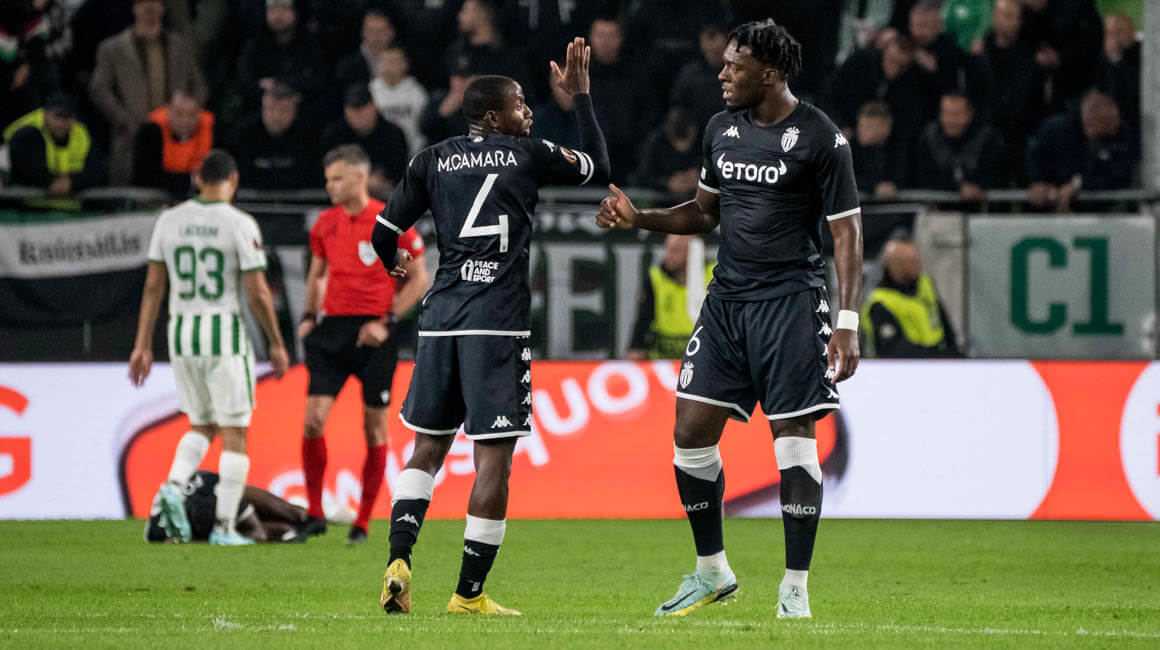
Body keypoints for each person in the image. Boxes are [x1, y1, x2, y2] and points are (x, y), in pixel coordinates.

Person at [596, 19, 862, 619]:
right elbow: (703, 212)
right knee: (690, 433)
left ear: (769, 74)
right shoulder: (721, 129)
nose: (721, 74)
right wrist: (640, 218)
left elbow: (847, 232)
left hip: (791, 303)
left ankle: (794, 589)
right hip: (727, 304)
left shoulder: (821, 137)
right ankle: (712, 572)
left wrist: (846, 320)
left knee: (793, 441)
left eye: (734, 66)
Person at [370, 38, 609, 616]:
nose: (529, 112)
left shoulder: (430, 159)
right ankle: (468, 594)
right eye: (520, 103)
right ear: (494, 117)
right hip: (496, 324)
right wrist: (580, 97)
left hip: (440, 319)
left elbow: (383, 231)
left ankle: (398, 560)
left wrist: (393, 261)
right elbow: (599, 168)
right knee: (493, 459)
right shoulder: (528, 154)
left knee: (427, 448)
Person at [128, 150, 290, 546]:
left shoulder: (169, 219)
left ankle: (171, 490)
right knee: (235, 434)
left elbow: (153, 286)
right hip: (223, 336)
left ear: (198, 179)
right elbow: (257, 293)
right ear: (233, 180)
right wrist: (276, 342)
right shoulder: (239, 223)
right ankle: (224, 527)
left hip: (182, 335)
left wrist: (142, 345)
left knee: (201, 424)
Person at [296, 144, 429, 546]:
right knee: (312, 420)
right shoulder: (325, 224)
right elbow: (317, 273)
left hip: (374, 333)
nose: (330, 186)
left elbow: (420, 278)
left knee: (374, 427)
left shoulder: (390, 222)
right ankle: (315, 513)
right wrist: (308, 315)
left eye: (336, 178)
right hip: (333, 330)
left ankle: (364, 522)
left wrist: (387, 321)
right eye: (327, 179)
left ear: (359, 177)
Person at [89, 0, 206, 185]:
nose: (149, 6)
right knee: (131, 192)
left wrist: (187, 116)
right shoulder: (113, 48)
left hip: (175, 140)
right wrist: (122, 118)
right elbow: (99, 88)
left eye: (155, 1)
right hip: (131, 138)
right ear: (134, 7)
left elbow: (199, 87)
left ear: (163, 7)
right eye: (143, 1)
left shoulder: (180, 46)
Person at [1026, 89, 1138, 212]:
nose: (1111, 130)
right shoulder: (1056, 131)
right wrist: (1038, 181)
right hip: (1049, 204)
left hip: (1102, 209)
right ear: (1086, 118)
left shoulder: (1123, 136)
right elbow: (1035, 156)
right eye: (1100, 124)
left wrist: (1079, 184)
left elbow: (1119, 174)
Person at [145, 470, 313, 544]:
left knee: (286, 516)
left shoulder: (216, 491)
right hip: (200, 506)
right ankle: (293, 524)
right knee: (274, 531)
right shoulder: (157, 532)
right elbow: (257, 534)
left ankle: (299, 514)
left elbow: (257, 532)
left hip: (205, 485)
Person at [861, 240, 958, 358]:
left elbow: (944, 323)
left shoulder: (924, 283)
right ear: (894, 267)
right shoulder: (880, 303)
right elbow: (893, 348)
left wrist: (953, 354)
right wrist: (937, 355)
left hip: (938, 361)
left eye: (917, 260)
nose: (918, 266)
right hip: (905, 365)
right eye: (910, 262)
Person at [627, 234, 714, 361]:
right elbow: (643, 319)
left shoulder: (715, 275)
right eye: (667, 248)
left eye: (675, 250)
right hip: (664, 362)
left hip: (703, 361)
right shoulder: (656, 278)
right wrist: (636, 347)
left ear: (692, 251)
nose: (669, 255)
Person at [225, 81, 317, 191]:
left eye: (284, 110)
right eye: (270, 109)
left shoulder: (307, 136)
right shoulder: (243, 134)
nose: (276, 116)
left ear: (295, 111)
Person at [321, 85, 409, 199]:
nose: (358, 115)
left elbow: (397, 171)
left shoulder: (393, 134)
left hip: (386, 198)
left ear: (374, 107)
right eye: (353, 110)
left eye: (363, 109)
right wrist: (364, 182)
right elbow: (325, 169)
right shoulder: (334, 135)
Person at [4, 92, 101, 195]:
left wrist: (72, 182)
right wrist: (50, 182)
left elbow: (96, 170)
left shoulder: (81, 134)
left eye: (67, 117)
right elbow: (22, 171)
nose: (62, 123)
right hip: (30, 201)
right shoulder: (26, 132)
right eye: (57, 116)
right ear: (45, 114)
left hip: (70, 202)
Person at [915, 91, 1005, 200]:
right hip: (937, 205)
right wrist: (957, 188)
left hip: (982, 205)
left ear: (970, 114)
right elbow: (925, 176)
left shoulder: (987, 137)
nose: (951, 120)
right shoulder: (929, 137)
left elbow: (996, 174)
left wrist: (977, 187)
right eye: (947, 113)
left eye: (957, 114)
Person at [133, 89, 214, 198]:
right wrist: (190, 180)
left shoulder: (211, 130)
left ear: (199, 114)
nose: (185, 121)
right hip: (155, 201)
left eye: (191, 115)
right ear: (168, 111)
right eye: (179, 114)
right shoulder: (150, 132)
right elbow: (146, 179)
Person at [368, 46, 428, 155]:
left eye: (393, 61)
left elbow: (423, 128)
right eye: (383, 61)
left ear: (405, 64)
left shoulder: (417, 92)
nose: (387, 66)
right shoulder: (371, 91)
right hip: (379, 153)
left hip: (413, 152)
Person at [630, 106, 701, 197]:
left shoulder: (705, 140)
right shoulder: (656, 143)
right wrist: (667, 183)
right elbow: (640, 178)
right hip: (663, 201)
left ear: (694, 130)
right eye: (677, 141)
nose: (683, 149)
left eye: (689, 140)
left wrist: (701, 177)